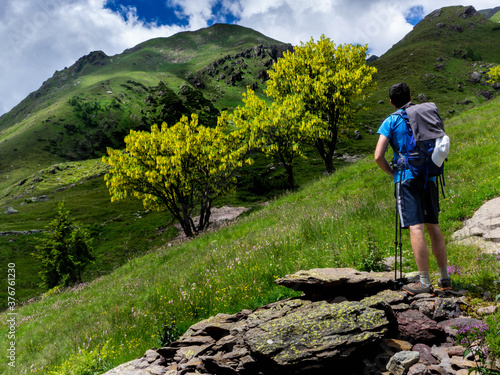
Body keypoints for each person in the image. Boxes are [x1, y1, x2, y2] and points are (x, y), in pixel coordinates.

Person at [374, 82, 452, 295]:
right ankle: (445, 278)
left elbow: (378, 156)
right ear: (410, 96)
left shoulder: (391, 120)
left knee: (415, 227)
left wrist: (392, 173)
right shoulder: (425, 113)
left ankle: (425, 282)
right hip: (429, 176)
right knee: (433, 226)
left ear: (391, 102)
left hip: (406, 178)